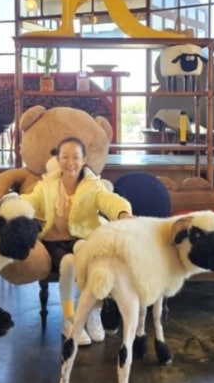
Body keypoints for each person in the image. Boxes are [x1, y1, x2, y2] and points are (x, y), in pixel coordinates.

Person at [21, 136, 132, 345]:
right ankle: (70, 319)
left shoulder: (93, 186)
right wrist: (11, 205)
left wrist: (123, 212)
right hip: (53, 242)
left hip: (82, 238)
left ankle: (92, 311)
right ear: (58, 159)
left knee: (93, 258)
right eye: (65, 157)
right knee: (68, 262)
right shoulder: (45, 186)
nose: (70, 162)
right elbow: (29, 201)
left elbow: (109, 200)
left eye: (75, 157)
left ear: (84, 160)